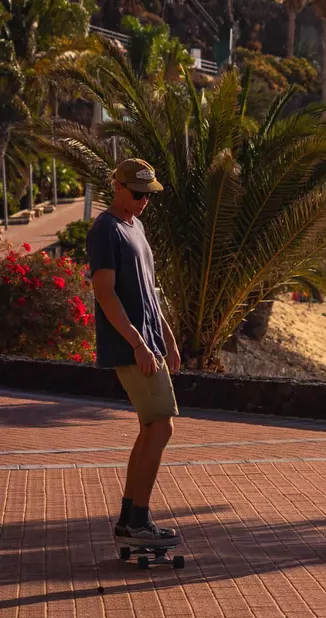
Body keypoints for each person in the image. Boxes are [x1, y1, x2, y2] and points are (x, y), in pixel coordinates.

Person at [86, 159, 182, 547]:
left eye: (149, 195)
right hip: (131, 346)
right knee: (162, 425)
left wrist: (168, 338)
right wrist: (139, 345)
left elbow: (148, 291)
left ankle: (130, 518)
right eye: (139, 194)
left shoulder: (136, 227)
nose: (144, 202)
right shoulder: (105, 230)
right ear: (118, 187)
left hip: (150, 342)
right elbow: (104, 293)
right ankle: (138, 520)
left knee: (150, 428)